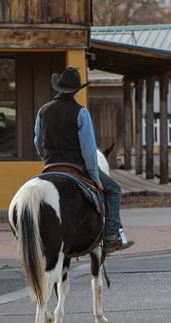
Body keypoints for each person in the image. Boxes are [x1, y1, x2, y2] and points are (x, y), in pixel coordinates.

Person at [34, 66, 133, 254]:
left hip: (50, 166)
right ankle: (112, 236)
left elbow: (38, 141)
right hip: (76, 166)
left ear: (58, 87)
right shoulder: (81, 113)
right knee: (114, 190)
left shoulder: (42, 111)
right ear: (76, 90)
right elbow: (88, 150)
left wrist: (47, 160)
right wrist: (95, 177)